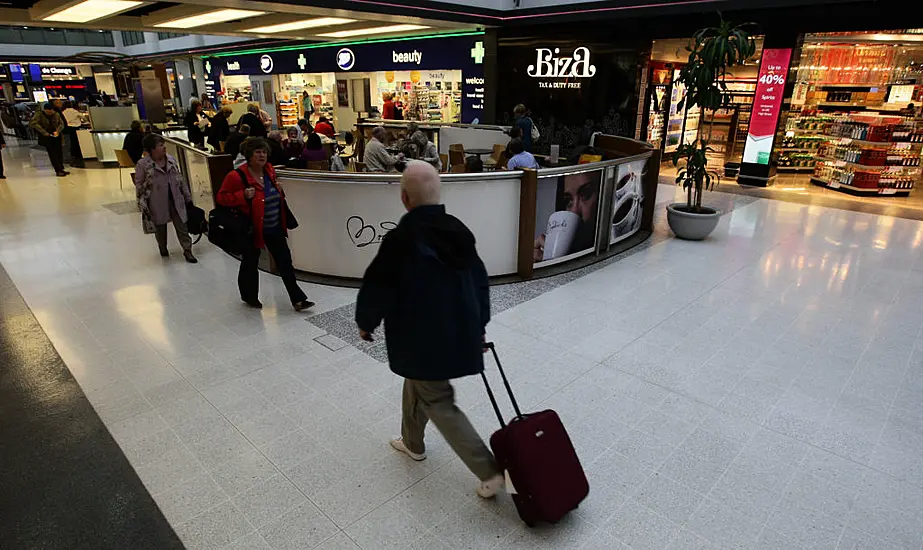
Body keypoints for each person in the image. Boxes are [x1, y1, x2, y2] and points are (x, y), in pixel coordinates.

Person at [355, 160, 504, 498]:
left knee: (438, 399)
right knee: (419, 381)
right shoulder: (459, 231)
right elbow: (480, 282)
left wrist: (366, 322)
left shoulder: (400, 240)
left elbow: (378, 286)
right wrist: (479, 325)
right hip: (459, 330)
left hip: (422, 339)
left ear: (405, 199)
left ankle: (490, 471)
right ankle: (412, 441)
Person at [216, 137, 314, 312]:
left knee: (285, 262)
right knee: (250, 262)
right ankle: (249, 296)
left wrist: (279, 191)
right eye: (258, 152)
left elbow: (271, 197)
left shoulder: (269, 171)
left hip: (274, 226)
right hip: (252, 229)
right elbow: (222, 198)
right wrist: (242, 195)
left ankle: (298, 299)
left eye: (264, 152)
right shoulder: (236, 176)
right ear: (249, 155)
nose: (262, 155)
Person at [134, 134, 197, 263]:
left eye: (163, 144)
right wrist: (142, 204)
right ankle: (162, 247)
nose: (164, 147)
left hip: (175, 198)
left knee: (182, 226)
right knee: (160, 227)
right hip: (157, 201)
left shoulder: (171, 160)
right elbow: (139, 185)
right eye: (160, 145)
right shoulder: (143, 164)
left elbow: (180, 180)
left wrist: (188, 198)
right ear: (152, 149)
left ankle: (188, 250)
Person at [29, 102, 67, 177]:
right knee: (52, 153)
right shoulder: (39, 114)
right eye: (48, 111)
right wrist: (44, 132)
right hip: (47, 136)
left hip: (57, 135)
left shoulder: (56, 114)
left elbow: (61, 124)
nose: (50, 112)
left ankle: (61, 168)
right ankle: (58, 170)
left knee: (59, 152)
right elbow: (33, 123)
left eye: (51, 110)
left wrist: (58, 131)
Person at [61, 101, 84, 168]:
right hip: (76, 128)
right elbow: (83, 117)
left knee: (70, 143)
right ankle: (77, 154)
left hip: (68, 128)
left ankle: (71, 156)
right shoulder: (74, 111)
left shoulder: (63, 112)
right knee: (77, 142)